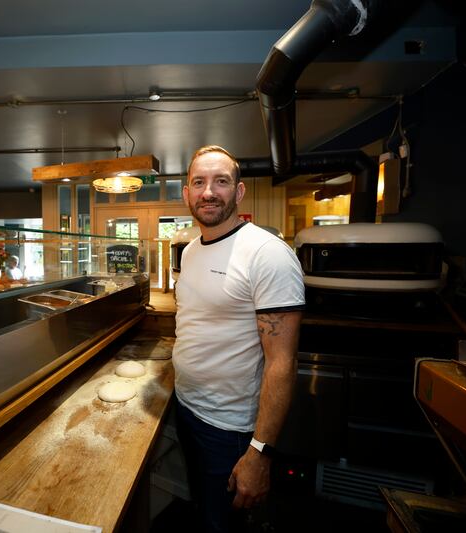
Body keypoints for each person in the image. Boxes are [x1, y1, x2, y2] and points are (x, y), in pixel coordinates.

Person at [173, 145, 305, 532]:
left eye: (221, 182)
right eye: (199, 182)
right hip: (187, 408)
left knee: (224, 525)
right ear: (187, 194)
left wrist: (259, 453)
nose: (208, 192)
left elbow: (283, 363)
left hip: (229, 428)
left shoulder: (267, 254)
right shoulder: (192, 251)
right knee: (202, 509)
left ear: (240, 192)